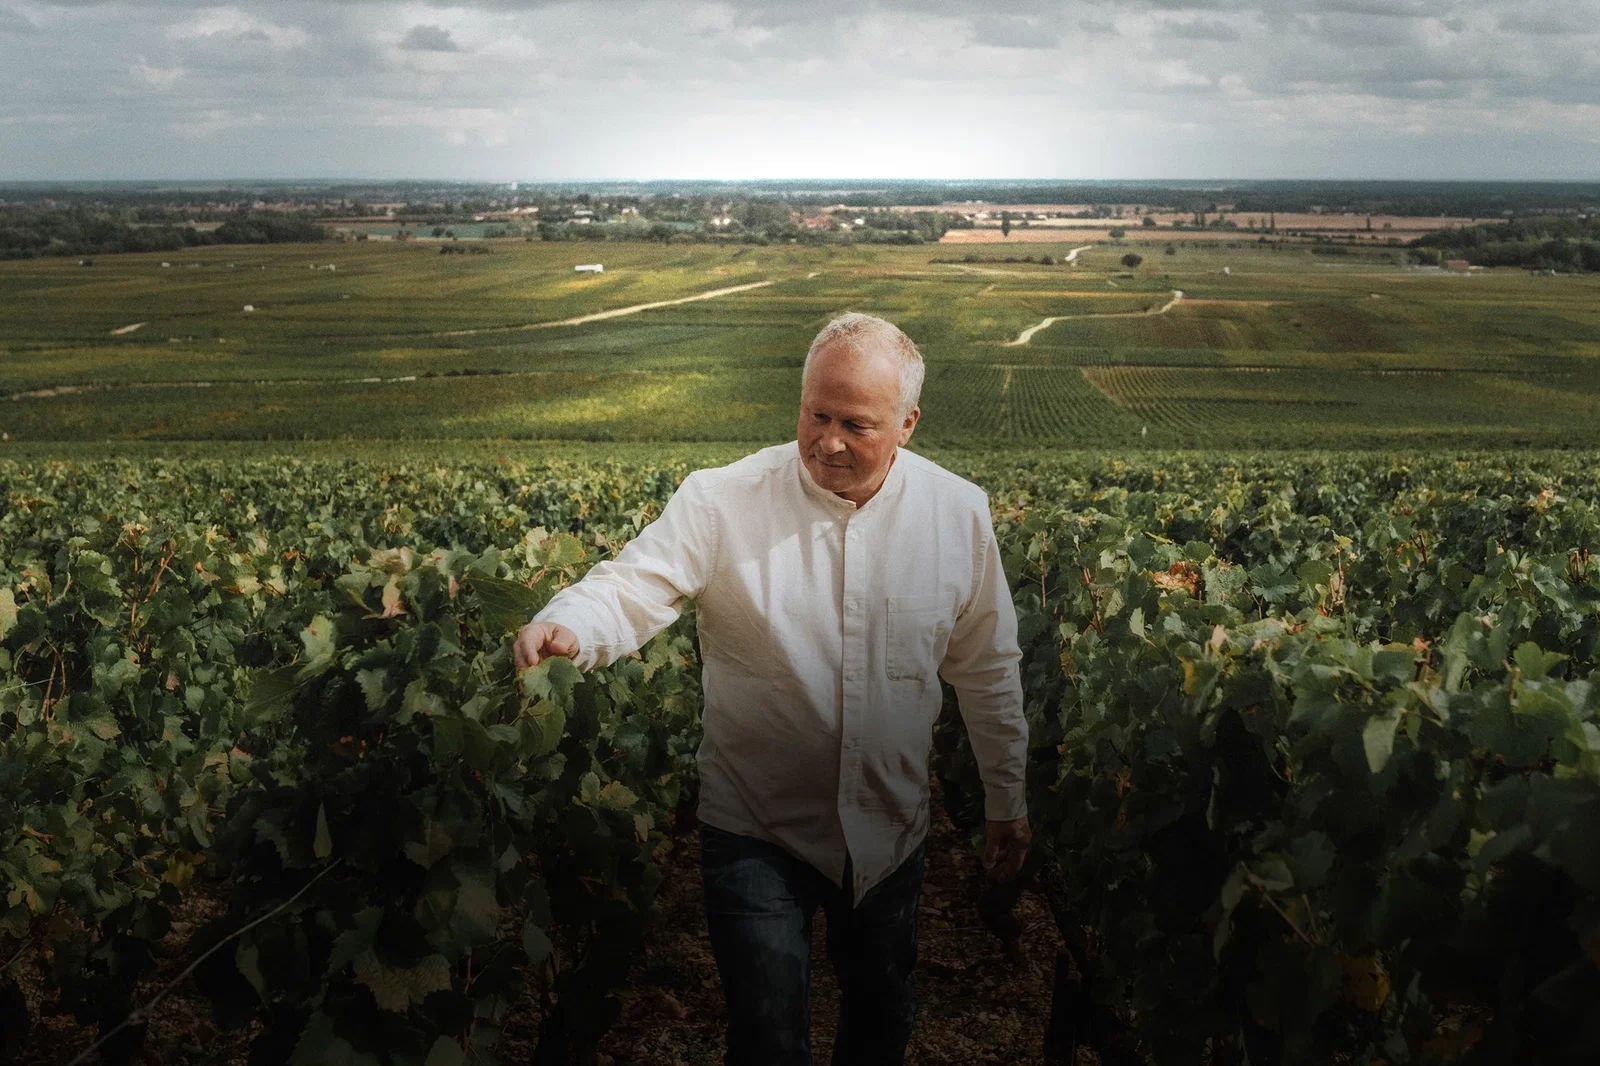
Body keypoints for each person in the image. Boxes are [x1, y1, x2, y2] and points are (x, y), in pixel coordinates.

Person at [513, 311, 1030, 1066]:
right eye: (816, 414)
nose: (827, 440)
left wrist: (1007, 801)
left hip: (889, 828)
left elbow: (987, 669)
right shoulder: (722, 500)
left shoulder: (958, 514)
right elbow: (633, 585)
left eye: (855, 423)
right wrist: (570, 627)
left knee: (881, 1028)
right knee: (765, 1040)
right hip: (754, 826)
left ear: (908, 424)